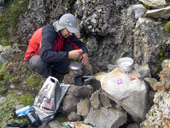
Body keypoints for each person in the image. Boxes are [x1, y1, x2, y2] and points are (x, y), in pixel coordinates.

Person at [24, 13, 89, 80]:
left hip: (52, 56)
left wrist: (85, 52)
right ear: (62, 27)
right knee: (39, 62)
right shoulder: (48, 32)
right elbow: (45, 55)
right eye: (69, 30)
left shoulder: (67, 33)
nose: (71, 33)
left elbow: (80, 44)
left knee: (71, 47)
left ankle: (57, 73)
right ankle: (47, 79)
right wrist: (68, 55)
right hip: (35, 58)